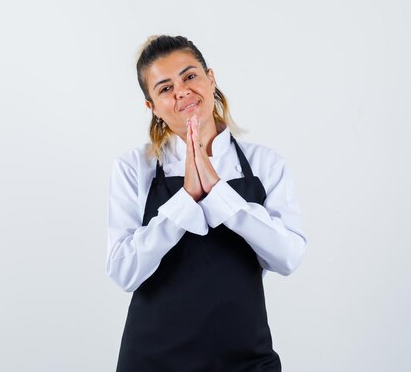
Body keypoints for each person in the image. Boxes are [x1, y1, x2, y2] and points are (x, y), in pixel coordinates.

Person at [106, 35, 307, 371]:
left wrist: (219, 194)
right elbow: (124, 272)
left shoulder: (264, 163)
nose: (182, 91)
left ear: (211, 79)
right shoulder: (133, 168)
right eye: (165, 88)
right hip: (153, 360)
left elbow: (287, 257)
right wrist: (185, 200)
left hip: (246, 360)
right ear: (151, 107)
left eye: (189, 76)